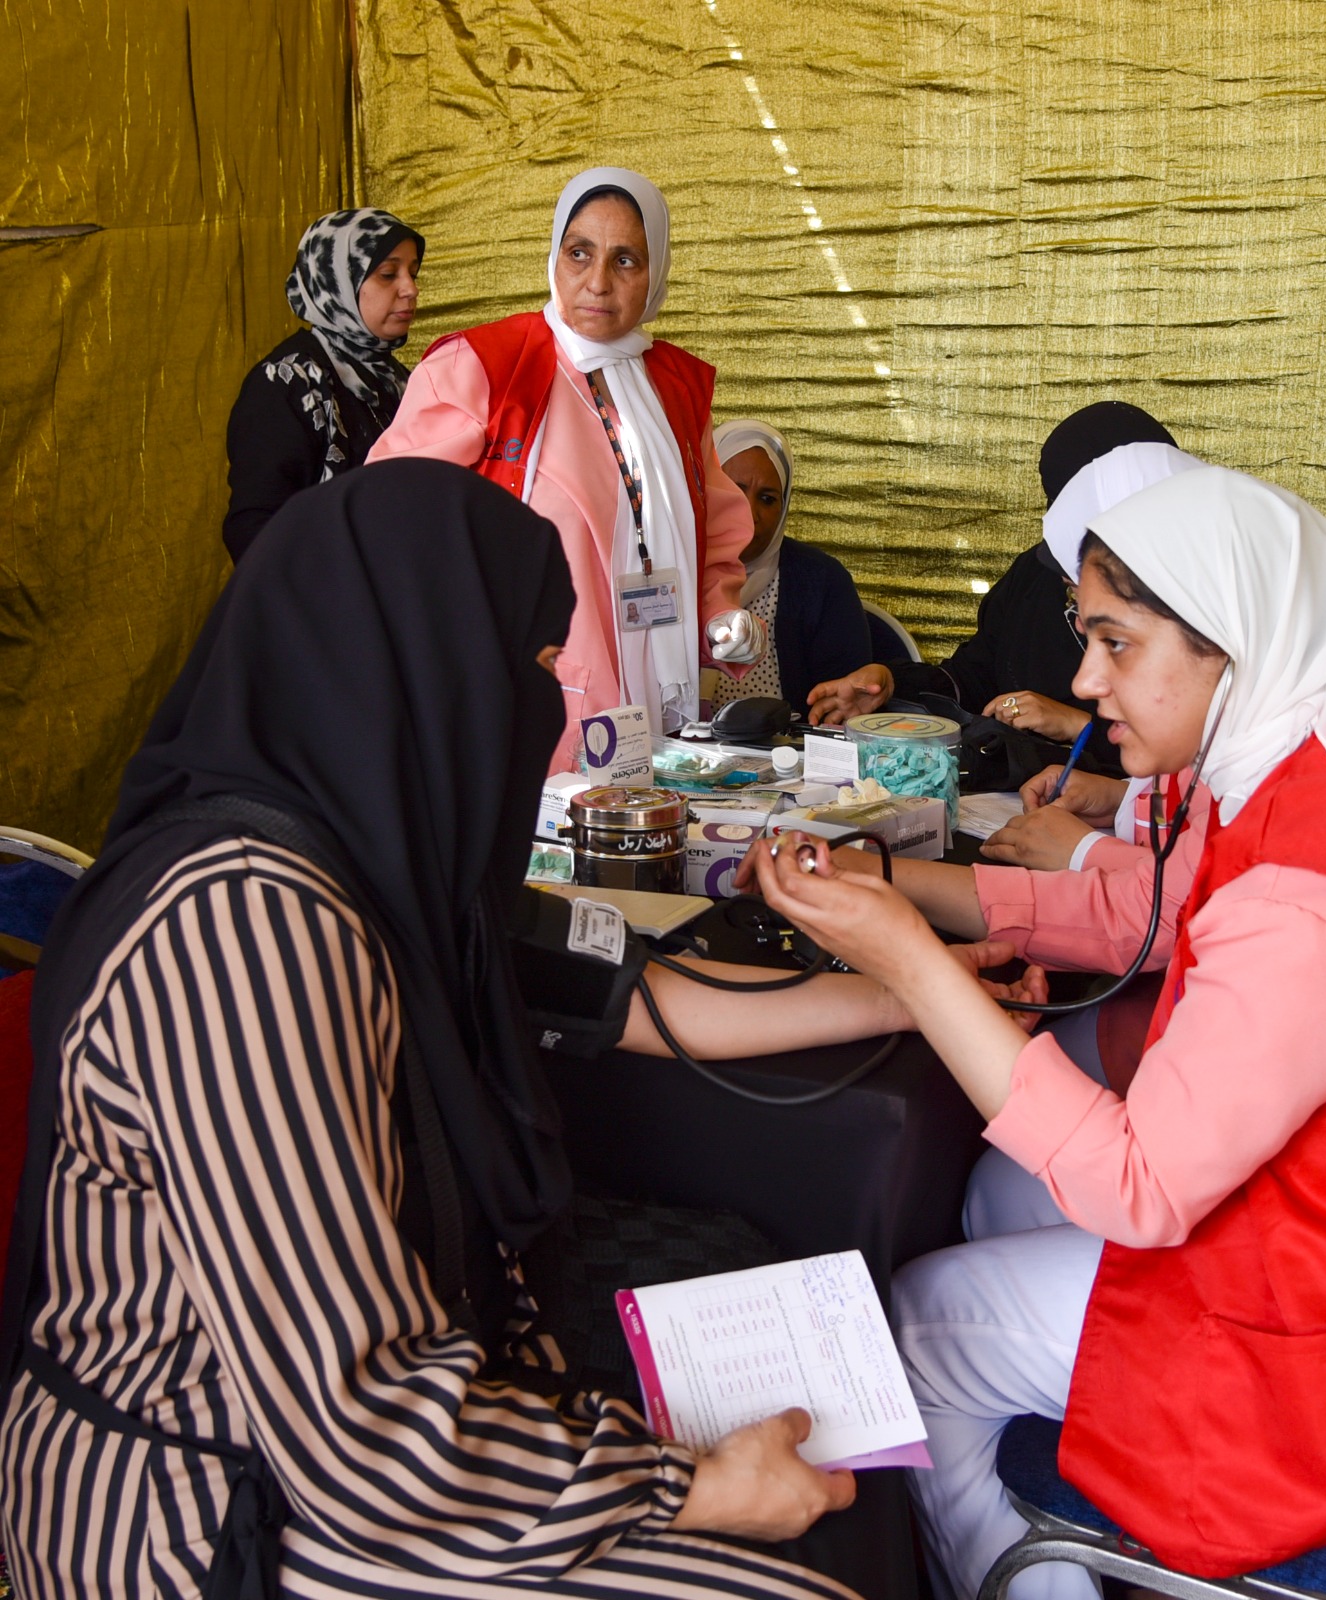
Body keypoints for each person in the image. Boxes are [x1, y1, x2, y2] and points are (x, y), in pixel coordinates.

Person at [0, 461, 909, 1600]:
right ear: (425, 663)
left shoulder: (390, 863)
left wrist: (911, 988)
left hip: (343, 1432)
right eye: (532, 666)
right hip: (200, 1506)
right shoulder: (244, 923)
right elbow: (355, 1429)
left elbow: (624, 987)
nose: (542, 711)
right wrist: (692, 1487)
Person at [744, 465, 1326, 1599]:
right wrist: (896, 888)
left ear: (1232, 646)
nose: (1085, 681)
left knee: (921, 1327)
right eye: (1085, 637)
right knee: (999, 1190)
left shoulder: (1312, 888)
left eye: (1117, 643)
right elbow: (1152, 913)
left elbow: (1140, 1187)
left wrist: (908, 957)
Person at [369, 167, 764, 756]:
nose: (598, 282)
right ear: (554, 255)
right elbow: (388, 521)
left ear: (657, 273)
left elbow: (715, 539)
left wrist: (719, 617)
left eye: (625, 260)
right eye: (579, 253)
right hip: (517, 696)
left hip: (658, 700)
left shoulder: (675, 390)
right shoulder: (486, 367)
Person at [804, 402, 1179, 778]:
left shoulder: (1193, 603)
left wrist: (1080, 726)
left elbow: (1194, 748)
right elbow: (976, 676)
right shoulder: (1038, 575)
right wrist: (891, 682)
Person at [223, 207, 424, 562]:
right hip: (329, 592)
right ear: (337, 280)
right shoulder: (286, 384)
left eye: (413, 272)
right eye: (388, 274)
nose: (410, 289)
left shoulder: (398, 380)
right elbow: (254, 530)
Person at [707, 419, 872, 710]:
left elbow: (842, 705)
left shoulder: (822, 581)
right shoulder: (670, 575)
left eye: (767, 499)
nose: (749, 514)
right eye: (734, 491)